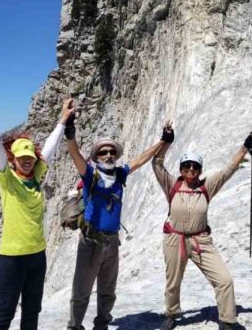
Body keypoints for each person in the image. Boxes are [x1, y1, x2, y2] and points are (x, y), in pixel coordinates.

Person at [63, 102, 175, 330]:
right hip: (90, 242)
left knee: (108, 289)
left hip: (112, 242)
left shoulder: (120, 173)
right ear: (96, 156)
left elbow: (142, 159)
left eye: (112, 151)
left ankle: (102, 324)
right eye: (103, 152)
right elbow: (74, 153)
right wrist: (70, 129)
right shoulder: (90, 174)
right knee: (81, 290)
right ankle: (74, 326)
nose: (108, 154)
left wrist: (163, 140)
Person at [0, 90, 75, 330]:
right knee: (4, 315)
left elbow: (50, 147)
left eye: (30, 157)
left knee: (32, 312)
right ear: (13, 159)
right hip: (11, 259)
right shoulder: (7, 180)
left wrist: (62, 119)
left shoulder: (37, 175)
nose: (27, 160)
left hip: (37, 256)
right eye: (21, 157)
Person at [152, 127, 252, 330]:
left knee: (224, 279)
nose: (191, 170)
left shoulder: (206, 186)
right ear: (181, 169)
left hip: (201, 241)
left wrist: (246, 146)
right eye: (186, 166)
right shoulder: (172, 184)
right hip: (175, 239)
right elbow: (157, 164)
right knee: (173, 281)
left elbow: (229, 169)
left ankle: (227, 320)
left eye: (195, 167)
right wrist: (166, 141)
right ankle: (172, 313)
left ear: (200, 170)